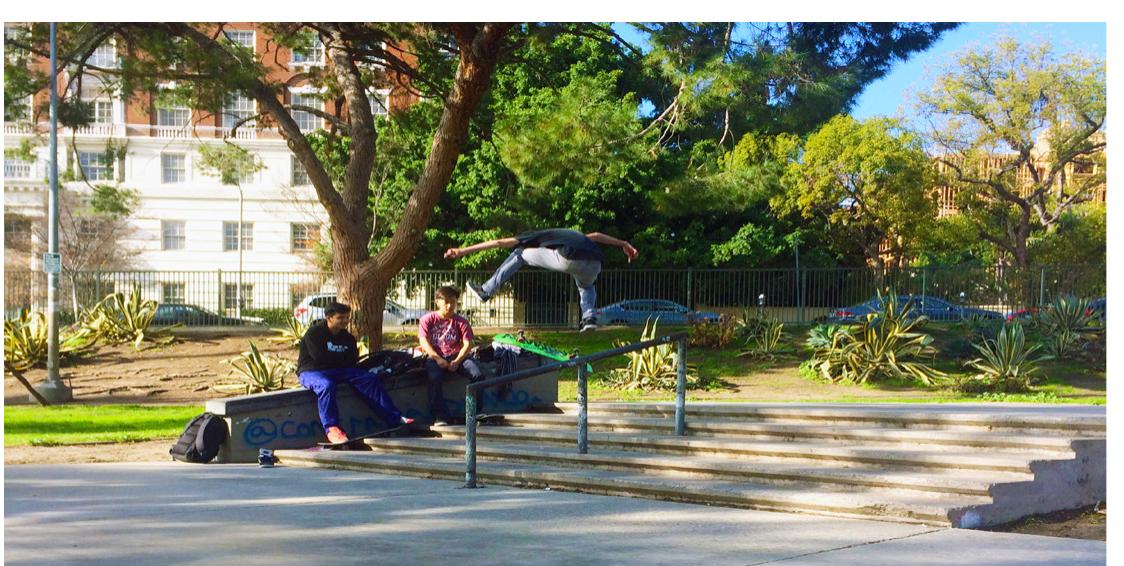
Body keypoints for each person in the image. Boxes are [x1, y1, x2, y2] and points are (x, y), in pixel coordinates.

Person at [444, 229, 639, 332]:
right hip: (595, 263)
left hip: (568, 259)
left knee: (519, 253)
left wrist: (462, 251)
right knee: (586, 286)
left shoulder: (536, 236)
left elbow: (499, 242)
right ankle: (589, 317)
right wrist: (624, 244)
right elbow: (596, 235)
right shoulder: (570, 235)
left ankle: (486, 290)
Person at [297, 302, 413, 444]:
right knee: (326, 385)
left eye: (347, 317)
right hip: (311, 371)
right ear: (329, 318)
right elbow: (319, 358)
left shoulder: (348, 338)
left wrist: (339, 362)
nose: (345, 321)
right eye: (340, 318)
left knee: (369, 379)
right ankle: (332, 428)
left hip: (339, 370)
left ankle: (394, 418)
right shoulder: (314, 333)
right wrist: (340, 360)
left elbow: (351, 361)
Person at [418, 285, 483, 426]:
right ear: (437, 302)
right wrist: (437, 358)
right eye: (446, 302)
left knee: (477, 374)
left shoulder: (461, 322)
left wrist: (458, 361)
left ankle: (476, 412)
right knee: (434, 377)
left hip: (456, 356)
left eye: (453, 302)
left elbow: (468, 344)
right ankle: (440, 416)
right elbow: (423, 341)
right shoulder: (427, 319)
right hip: (435, 357)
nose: (450, 305)